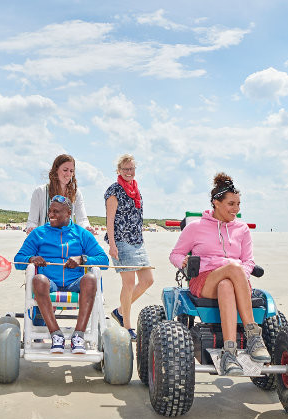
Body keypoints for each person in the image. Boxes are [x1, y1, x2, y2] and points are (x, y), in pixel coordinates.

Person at [168, 173, 269, 376]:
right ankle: (253, 336)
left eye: (239, 204)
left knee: (228, 283)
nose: (236, 209)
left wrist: (241, 274)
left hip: (235, 282)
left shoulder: (242, 229)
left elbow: (249, 261)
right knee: (233, 269)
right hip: (205, 279)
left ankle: (229, 352)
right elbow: (175, 254)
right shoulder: (195, 227)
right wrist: (184, 261)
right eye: (231, 204)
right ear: (216, 203)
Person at [15, 195, 110, 353]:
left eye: (56, 212)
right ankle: (56, 335)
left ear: (68, 213)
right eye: (50, 211)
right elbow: (18, 260)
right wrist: (31, 258)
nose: (51, 215)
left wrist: (82, 259)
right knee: (38, 279)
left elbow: (104, 261)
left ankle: (78, 336)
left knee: (91, 279)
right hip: (49, 283)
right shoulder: (38, 233)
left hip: (75, 282)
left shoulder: (82, 234)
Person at [103, 154, 153, 339]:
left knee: (148, 280)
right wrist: (113, 245)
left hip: (138, 242)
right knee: (129, 284)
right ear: (119, 170)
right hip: (121, 241)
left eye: (132, 168)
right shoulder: (114, 191)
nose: (129, 172)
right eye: (125, 169)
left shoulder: (136, 190)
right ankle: (127, 326)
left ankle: (119, 311)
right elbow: (110, 220)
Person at [25, 154, 93, 234]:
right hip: (44, 242)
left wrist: (87, 228)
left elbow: (82, 219)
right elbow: (32, 221)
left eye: (71, 171)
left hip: (66, 242)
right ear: (56, 170)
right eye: (65, 170)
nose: (68, 174)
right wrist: (31, 228)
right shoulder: (40, 191)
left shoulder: (76, 193)